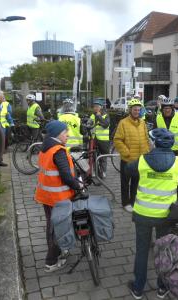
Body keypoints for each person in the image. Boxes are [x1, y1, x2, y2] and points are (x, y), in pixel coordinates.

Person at [126, 128, 178, 299]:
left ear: (155, 143)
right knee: (164, 250)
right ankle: (162, 287)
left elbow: (128, 168)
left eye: (150, 140)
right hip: (166, 216)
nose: (149, 142)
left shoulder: (142, 161)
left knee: (142, 250)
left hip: (143, 214)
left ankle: (138, 288)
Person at [34, 120, 84, 272]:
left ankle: (60, 251)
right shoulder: (58, 151)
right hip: (58, 198)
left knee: (52, 226)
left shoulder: (46, 148)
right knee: (57, 229)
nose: (68, 134)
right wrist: (78, 185)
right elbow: (66, 177)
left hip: (47, 196)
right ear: (57, 134)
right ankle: (51, 261)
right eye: (65, 132)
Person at [113, 98, 150, 212]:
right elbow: (117, 140)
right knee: (125, 183)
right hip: (127, 160)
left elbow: (146, 138)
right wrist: (126, 152)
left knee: (136, 182)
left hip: (140, 159)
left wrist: (147, 151)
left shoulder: (143, 123)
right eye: (135, 110)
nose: (137, 112)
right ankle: (125, 203)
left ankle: (133, 201)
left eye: (139, 110)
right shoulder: (123, 123)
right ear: (130, 110)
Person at [154, 96, 178, 162]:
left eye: (169, 108)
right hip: (163, 151)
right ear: (162, 109)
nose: (167, 110)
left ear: (172, 108)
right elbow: (154, 135)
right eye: (165, 108)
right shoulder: (157, 118)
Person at [90, 99, 110, 177]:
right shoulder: (92, 115)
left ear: (101, 107)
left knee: (103, 157)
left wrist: (99, 116)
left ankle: (103, 171)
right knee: (94, 155)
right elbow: (90, 124)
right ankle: (95, 171)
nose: (95, 108)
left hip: (103, 140)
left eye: (97, 106)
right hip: (94, 139)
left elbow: (105, 125)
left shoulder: (106, 115)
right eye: (94, 106)